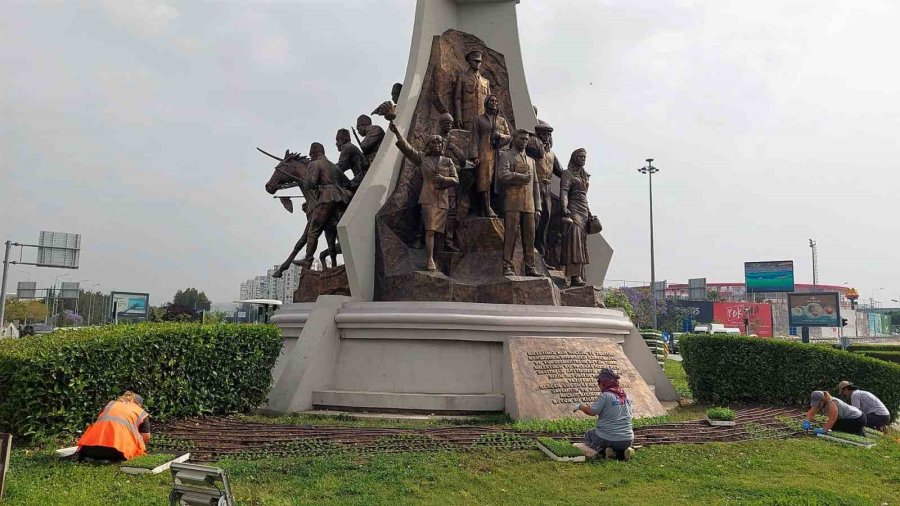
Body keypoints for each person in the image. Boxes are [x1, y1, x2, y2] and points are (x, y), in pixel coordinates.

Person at [390, 121, 459, 271]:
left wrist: (444, 179)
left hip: (443, 199)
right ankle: (429, 260)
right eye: (434, 143)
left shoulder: (448, 161)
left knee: (440, 233)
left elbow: (456, 179)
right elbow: (408, 149)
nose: (437, 145)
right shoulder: (422, 158)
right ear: (428, 145)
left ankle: (438, 258)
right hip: (428, 197)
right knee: (430, 230)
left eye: (439, 143)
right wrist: (396, 132)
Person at [496, 129, 542, 277]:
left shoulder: (531, 161)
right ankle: (507, 265)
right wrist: (519, 177)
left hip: (529, 205)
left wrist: (538, 206)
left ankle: (530, 266)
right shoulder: (506, 156)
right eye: (522, 138)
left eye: (526, 139)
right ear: (514, 139)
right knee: (511, 235)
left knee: (530, 238)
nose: (524, 141)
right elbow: (502, 175)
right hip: (513, 203)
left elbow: (535, 184)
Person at [574, 368, 636, 461]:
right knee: (617, 441)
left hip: (609, 439)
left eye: (599, 382)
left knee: (589, 434)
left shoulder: (605, 396)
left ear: (604, 383)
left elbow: (592, 412)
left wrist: (580, 407)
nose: (598, 384)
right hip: (628, 439)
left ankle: (602, 451)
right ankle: (622, 453)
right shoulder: (626, 395)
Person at [76, 391, 150, 462]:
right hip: (118, 452)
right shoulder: (140, 412)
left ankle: (92, 457)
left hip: (89, 449)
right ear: (139, 404)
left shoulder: (110, 405)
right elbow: (146, 436)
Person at [468, 94, 510, 217]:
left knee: (497, 181)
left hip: (499, 153)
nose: (494, 103)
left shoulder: (501, 120)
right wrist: (474, 156)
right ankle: (487, 208)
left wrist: (500, 136)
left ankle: (495, 206)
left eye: (496, 101)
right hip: (484, 152)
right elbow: (474, 139)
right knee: (485, 180)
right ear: (486, 103)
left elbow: (509, 136)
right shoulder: (478, 119)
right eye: (491, 101)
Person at [559, 148, 593, 286]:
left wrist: (589, 212)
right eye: (580, 157)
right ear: (574, 158)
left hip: (584, 210)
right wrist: (564, 207)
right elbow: (564, 192)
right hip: (573, 210)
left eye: (585, 157)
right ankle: (574, 276)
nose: (583, 159)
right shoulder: (568, 174)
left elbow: (584, 197)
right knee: (575, 244)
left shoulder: (584, 174)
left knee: (582, 244)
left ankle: (580, 274)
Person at [454, 50, 491, 130]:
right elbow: (457, 98)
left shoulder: (485, 81)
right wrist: (458, 117)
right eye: (476, 61)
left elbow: (489, 103)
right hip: (468, 118)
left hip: (484, 119)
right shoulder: (462, 77)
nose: (478, 64)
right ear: (469, 61)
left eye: (480, 62)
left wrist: (491, 120)